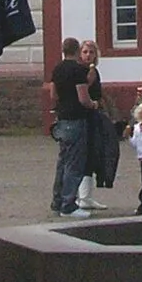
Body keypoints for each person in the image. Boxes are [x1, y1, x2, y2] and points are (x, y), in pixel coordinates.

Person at [49, 37, 95, 215]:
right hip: (76, 119)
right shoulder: (77, 70)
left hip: (62, 119)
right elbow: (83, 98)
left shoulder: (58, 69)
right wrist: (94, 104)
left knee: (62, 162)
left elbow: (53, 94)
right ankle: (69, 204)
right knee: (74, 164)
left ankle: (57, 201)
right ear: (77, 51)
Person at [78, 39, 119, 210]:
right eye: (85, 52)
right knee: (85, 155)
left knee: (93, 155)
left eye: (91, 52)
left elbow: (100, 94)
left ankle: (86, 196)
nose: (88, 55)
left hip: (95, 116)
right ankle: (82, 197)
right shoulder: (85, 72)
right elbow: (84, 90)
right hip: (86, 116)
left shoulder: (95, 71)